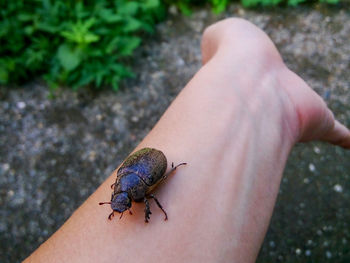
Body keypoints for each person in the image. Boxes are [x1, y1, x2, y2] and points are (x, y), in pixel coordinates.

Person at [24, 18, 350, 263]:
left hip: (152, 163)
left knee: (155, 192)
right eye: (120, 205)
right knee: (229, 30)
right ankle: (255, 67)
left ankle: (257, 71)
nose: (122, 205)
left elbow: (150, 195)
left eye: (119, 203)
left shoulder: (139, 192)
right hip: (142, 164)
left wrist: (148, 207)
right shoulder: (124, 185)